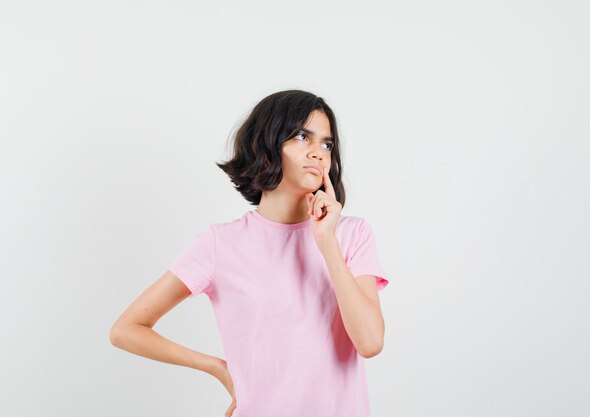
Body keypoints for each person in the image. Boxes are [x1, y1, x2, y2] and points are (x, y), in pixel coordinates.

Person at [109, 89, 390, 417]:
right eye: (302, 137)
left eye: (326, 144)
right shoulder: (220, 243)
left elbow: (370, 343)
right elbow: (126, 329)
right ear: (267, 143)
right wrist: (218, 368)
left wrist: (327, 243)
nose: (318, 153)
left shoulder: (351, 234)